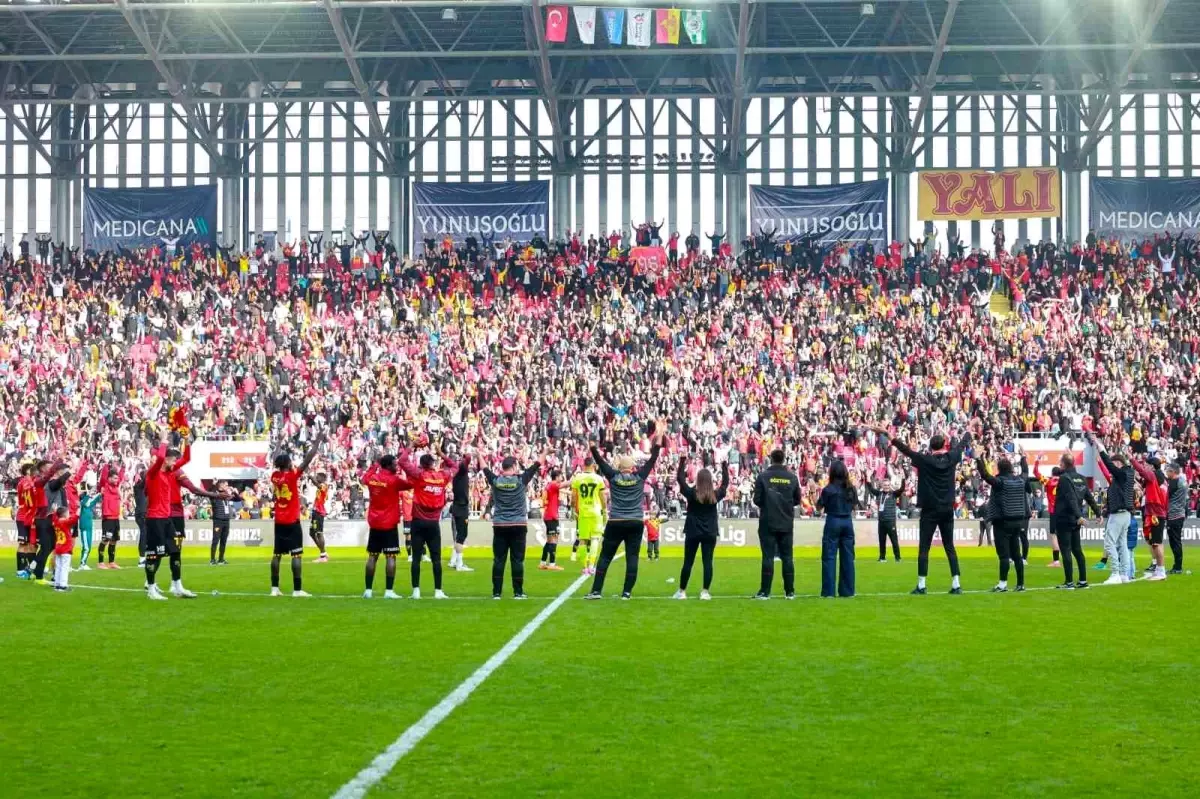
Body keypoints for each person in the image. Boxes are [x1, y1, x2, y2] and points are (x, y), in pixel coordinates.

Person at [876, 426, 971, 595]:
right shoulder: (951, 457)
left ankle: (921, 585)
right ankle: (956, 584)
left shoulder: (925, 460)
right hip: (947, 508)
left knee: (924, 547)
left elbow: (905, 449)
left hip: (929, 509)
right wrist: (969, 431)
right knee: (949, 546)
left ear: (931, 447)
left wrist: (889, 435)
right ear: (944, 445)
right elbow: (962, 444)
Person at [584, 421, 665, 600]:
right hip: (636, 522)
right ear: (633, 467)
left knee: (605, 557)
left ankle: (596, 591)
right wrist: (659, 434)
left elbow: (600, 461)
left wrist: (592, 446)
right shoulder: (639, 477)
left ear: (620, 467)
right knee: (632, 558)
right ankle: (626, 593)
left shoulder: (613, 476)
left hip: (616, 521)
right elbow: (653, 458)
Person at [398, 441, 460, 599]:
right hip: (434, 524)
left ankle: (416, 591)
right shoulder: (442, 476)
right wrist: (441, 454)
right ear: (433, 464)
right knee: (436, 559)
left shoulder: (419, 475)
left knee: (416, 558)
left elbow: (402, 461)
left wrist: (411, 445)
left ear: (421, 465)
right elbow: (455, 467)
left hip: (418, 522)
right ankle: (438, 591)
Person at [268, 432, 325, 597]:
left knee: (277, 554)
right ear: (287, 463)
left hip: (279, 520)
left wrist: (278, 442)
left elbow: (274, 460)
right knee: (296, 554)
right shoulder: (292, 476)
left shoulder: (275, 476)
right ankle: (297, 590)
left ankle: (274, 588)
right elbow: (308, 458)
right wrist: (318, 440)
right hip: (292, 521)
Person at [482, 454, 542, 599]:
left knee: (498, 560)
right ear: (514, 466)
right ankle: (518, 592)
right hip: (518, 525)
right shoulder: (521, 480)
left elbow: (485, 468)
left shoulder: (496, 481)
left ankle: (496, 593)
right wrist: (545, 451)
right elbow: (536, 465)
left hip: (500, 525)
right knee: (517, 560)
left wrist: (478, 455)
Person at [143, 444, 195, 600]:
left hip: (166, 519)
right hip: (154, 519)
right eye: (172, 460)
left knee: (175, 551)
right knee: (154, 555)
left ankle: (177, 586)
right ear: (165, 460)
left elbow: (186, 458)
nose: (175, 463)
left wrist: (186, 439)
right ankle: (151, 589)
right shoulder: (153, 473)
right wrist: (164, 441)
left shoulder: (169, 472)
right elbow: (159, 459)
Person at [673, 454, 729, 600]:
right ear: (710, 481)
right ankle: (705, 592)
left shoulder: (692, 494)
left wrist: (682, 461)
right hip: (709, 532)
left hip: (693, 531)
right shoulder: (715, 495)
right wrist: (724, 467)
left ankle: (682, 591)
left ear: (698, 480)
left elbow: (680, 479)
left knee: (688, 562)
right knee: (708, 562)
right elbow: (725, 485)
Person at [975, 454, 1032, 593]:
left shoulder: (1000, 482)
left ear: (999, 468)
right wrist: (1023, 457)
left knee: (1004, 556)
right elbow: (1025, 472)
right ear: (1011, 468)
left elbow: (985, 475)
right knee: (1017, 555)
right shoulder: (1020, 480)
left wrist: (978, 460)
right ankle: (1020, 584)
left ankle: (1002, 584)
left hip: (1002, 522)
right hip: (1018, 522)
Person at [361, 453, 413, 599]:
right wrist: (406, 466)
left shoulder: (373, 478)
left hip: (375, 523)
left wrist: (375, 465)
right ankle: (389, 591)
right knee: (391, 557)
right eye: (395, 464)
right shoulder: (394, 480)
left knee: (372, 557)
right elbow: (411, 483)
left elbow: (363, 478)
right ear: (388, 465)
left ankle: (368, 590)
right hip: (389, 524)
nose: (396, 466)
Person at [1086, 431, 1135, 586]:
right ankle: (1124, 574)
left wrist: (1100, 448)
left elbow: (1109, 464)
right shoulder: (1127, 475)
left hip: (1119, 514)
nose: (1114, 467)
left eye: (1116, 464)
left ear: (1119, 464)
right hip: (1125, 514)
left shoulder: (1122, 475)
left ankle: (1115, 573)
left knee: (1109, 543)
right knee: (1122, 545)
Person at [752, 449, 801, 600]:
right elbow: (797, 500)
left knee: (767, 557)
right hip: (786, 522)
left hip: (768, 521)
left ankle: (765, 591)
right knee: (787, 557)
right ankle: (790, 591)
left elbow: (757, 500)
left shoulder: (763, 476)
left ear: (771, 459)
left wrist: (768, 504)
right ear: (783, 459)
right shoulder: (792, 478)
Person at [1051, 452, 1100, 589]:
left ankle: (1069, 582)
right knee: (1077, 550)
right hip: (1074, 519)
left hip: (1065, 518)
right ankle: (1083, 581)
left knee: (1066, 550)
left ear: (1063, 464)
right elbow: (1089, 497)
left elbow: (1070, 499)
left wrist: (1079, 516)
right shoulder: (1081, 478)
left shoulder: (1064, 478)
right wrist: (1098, 512)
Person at [817, 460, 859, 598]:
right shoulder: (851, 488)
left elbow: (819, 507)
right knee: (848, 558)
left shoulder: (828, 489)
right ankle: (848, 591)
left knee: (829, 557)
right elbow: (855, 506)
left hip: (833, 520)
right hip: (847, 521)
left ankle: (828, 591)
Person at [1130, 454, 1168, 581]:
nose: (1145, 467)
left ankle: (1161, 571)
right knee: (1154, 542)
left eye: (1146, 464)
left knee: (1156, 543)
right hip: (1154, 513)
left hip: (1155, 514)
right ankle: (1158, 569)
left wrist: (1132, 459)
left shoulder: (1152, 475)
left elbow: (1142, 471)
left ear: (1152, 466)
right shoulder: (1157, 478)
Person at [569, 458, 607, 575]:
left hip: (583, 512)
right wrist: (605, 510)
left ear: (583, 465)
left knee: (582, 541)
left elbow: (574, 496)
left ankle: (585, 567)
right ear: (593, 465)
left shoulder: (577, 478)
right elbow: (602, 497)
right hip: (596, 512)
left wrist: (572, 509)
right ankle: (591, 566)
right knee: (595, 539)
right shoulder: (599, 479)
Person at [448, 452, 473, 572]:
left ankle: (454, 561)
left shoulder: (456, 474)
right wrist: (466, 455)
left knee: (458, 536)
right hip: (461, 508)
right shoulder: (462, 471)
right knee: (462, 536)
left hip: (456, 507)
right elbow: (467, 458)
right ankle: (459, 564)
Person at [97, 462, 125, 570]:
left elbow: (121, 477)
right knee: (105, 540)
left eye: (116, 478)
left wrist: (123, 467)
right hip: (108, 517)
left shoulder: (116, 486)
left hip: (115, 518)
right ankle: (100, 562)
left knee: (114, 540)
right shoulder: (105, 486)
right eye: (114, 478)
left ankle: (111, 562)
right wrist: (106, 465)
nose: (116, 480)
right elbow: (103, 477)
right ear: (109, 478)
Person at [538, 469, 566, 572]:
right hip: (551, 516)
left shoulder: (550, 485)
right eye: (561, 476)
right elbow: (564, 485)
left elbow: (563, 490)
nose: (562, 477)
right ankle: (552, 564)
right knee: (554, 539)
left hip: (550, 515)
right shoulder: (554, 484)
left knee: (550, 540)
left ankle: (542, 562)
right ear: (557, 477)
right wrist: (576, 480)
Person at [14, 462, 38, 579]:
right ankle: (20, 570)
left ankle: (29, 569)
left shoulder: (30, 482)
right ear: (27, 471)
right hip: (23, 516)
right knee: (23, 544)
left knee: (31, 544)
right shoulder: (24, 483)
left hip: (30, 516)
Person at [1165, 462, 1187, 574]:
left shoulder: (1173, 482)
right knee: (1177, 540)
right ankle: (1177, 566)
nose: (1166, 473)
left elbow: (1166, 497)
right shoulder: (1183, 481)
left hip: (1173, 515)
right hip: (1181, 513)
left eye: (1168, 470)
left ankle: (1177, 567)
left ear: (1173, 472)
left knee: (1174, 541)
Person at [874, 474, 903, 563]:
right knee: (882, 541)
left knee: (894, 541)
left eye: (887, 485)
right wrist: (867, 478)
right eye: (885, 485)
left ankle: (898, 557)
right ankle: (882, 557)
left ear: (890, 486)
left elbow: (901, 490)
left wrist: (903, 480)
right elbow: (871, 489)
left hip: (890, 522)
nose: (886, 487)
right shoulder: (879, 494)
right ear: (882, 486)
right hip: (881, 522)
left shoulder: (893, 494)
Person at [52, 506, 79, 592]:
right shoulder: (64, 522)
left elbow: (54, 517)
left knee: (59, 566)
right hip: (65, 547)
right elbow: (74, 519)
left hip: (58, 547)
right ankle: (63, 585)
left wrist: (54, 511)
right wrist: (79, 510)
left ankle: (57, 584)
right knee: (64, 567)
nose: (69, 514)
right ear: (64, 514)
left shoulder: (56, 521)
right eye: (67, 513)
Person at [208, 480, 235, 566]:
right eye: (226, 485)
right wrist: (213, 484)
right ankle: (212, 560)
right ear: (221, 485)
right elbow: (210, 492)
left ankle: (221, 559)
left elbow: (237, 499)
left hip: (226, 520)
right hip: (218, 520)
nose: (227, 486)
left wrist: (234, 491)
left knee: (224, 541)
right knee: (215, 540)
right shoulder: (215, 495)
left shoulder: (226, 495)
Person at [75, 487, 100, 571]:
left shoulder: (88, 505)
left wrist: (99, 493)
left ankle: (84, 563)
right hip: (85, 528)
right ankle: (82, 564)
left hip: (89, 528)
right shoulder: (83, 504)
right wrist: (89, 494)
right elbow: (85, 501)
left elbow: (95, 500)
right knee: (86, 547)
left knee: (88, 546)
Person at [309, 473, 330, 563]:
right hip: (315, 511)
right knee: (312, 533)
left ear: (322, 478)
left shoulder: (324, 485)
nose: (316, 477)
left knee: (319, 533)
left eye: (318, 476)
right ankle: (323, 552)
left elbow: (317, 485)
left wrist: (311, 476)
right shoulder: (321, 486)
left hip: (319, 512)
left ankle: (323, 556)